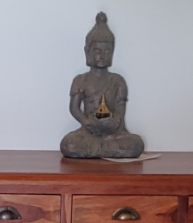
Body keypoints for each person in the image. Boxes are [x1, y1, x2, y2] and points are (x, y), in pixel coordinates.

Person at [61, 12, 144, 159]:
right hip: (88, 130)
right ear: (87, 52)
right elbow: (74, 108)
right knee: (69, 144)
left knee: (136, 144)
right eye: (97, 51)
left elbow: (119, 112)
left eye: (107, 51)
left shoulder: (118, 81)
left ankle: (98, 148)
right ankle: (104, 148)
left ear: (112, 53)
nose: (102, 56)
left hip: (113, 133)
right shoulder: (80, 80)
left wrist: (113, 123)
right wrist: (86, 122)